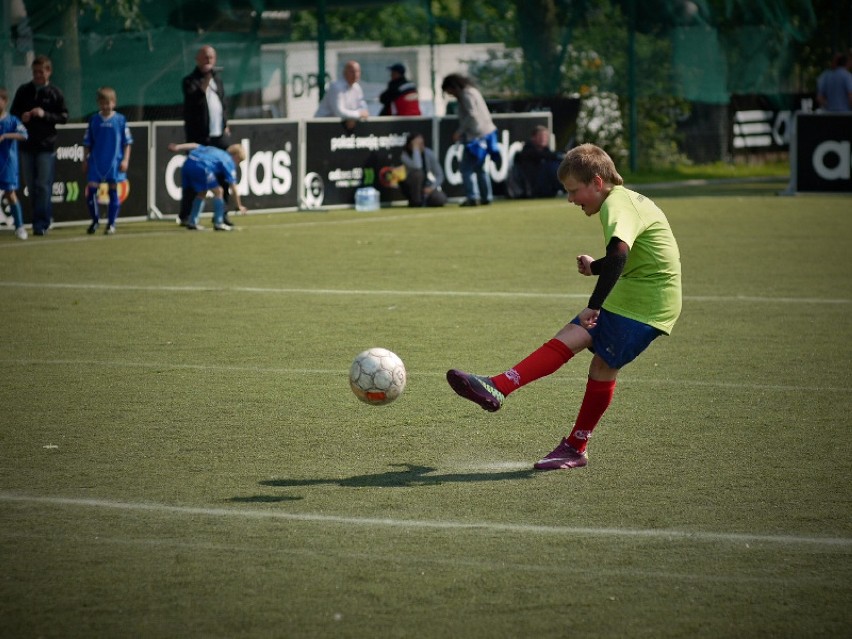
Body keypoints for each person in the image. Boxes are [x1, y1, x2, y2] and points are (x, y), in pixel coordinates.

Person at [446, 143, 682, 471]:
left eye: (574, 191)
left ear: (597, 182)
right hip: (634, 293)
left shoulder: (616, 204)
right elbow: (635, 254)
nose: (570, 199)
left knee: (601, 366)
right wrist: (596, 268)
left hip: (648, 305)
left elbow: (620, 255)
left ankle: (576, 446)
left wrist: (593, 305)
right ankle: (498, 386)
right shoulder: (623, 200)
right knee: (573, 335)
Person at [10, 55, 68, 236]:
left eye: (41, 72)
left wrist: (45, 114)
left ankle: (41, 223)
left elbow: (64, 117)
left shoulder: (55, 92)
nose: (37, 75)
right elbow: (13, 114)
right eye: (34, 72)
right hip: (26, 146)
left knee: (43, 185)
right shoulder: (24, 90)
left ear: (48, 71)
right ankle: (40, 218)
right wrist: (22, 117)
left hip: (46, 146)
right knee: (31, 186)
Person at [181, 45, 236, 227]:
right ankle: (187, 215)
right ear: (197, 59)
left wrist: (225, 123)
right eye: (205, 57)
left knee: (223, 175)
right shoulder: (190, 81)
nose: (208, 61)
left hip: (218, 136)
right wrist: (205, 81)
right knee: (194, 177)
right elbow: (194, 101)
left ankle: (221, 214)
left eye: (211, 57)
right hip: (199, 137)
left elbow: (223, 104)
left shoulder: (218, 81)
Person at [441, 73, 500, 207]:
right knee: (480, 167)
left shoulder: (466, 95)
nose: (450, 94)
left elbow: (472, 116)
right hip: (487, 133)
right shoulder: (473, 91)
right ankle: (486, 196)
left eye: (449, 91)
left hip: (476, 136)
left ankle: (472, 196)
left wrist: (460, 131)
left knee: (465, 168)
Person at [82, 87, 133, 235]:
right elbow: (87, 143)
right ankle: (95, 221)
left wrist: (125, 160)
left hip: (114, 162)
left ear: (114, 103)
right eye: (102, 103)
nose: (105, 106)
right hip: (96, 162)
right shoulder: (94, 120)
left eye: (108, 103)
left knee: (113, 191)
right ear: (98, 103)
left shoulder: (120, 120)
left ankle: (111, 224)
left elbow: (127, 143)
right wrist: (85, 160)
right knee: (91, 191)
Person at [167, 142, 246, 231]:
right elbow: (233, 187)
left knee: (202, 192)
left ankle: (192, 222)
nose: (238, 164)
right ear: (235, 156)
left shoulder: (214, 149)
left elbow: (194, 145)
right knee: (219, 191)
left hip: (188, 163)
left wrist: (177, 147)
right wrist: (239, 205)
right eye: (239, 161)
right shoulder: (228, 160)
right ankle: (219, 223)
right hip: (202, 167)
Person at [0, 87, 29, 240]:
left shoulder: (12, 120)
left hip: (7, 165)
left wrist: (5, 136)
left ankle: (19, 227)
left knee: (10, 194)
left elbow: (24, 135)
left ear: (4, 101)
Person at [509, 125, 564, 199]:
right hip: (531, 187)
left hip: (544, 186)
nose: (543, 139)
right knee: (551, 167)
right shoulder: (527, 150)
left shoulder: (546, 151)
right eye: (541, 136)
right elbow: (541, 155)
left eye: (545, 136)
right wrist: (560, 156)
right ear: (533, 137)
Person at [315, 60, 369, 128]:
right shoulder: (336, 87)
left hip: (339, 127)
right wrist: (357, 115)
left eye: (358, 71)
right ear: (344, 73)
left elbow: (363, 108)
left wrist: (352, 117)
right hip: (321, 126)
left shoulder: (357, 88)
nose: (355, 74)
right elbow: (339, 112)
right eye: (352, 71)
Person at [397, 133, 446, 207]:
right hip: (411, 186)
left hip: (426, 186)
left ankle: (425, 201)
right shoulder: (404, 156)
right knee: (418, 174)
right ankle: (416, 201)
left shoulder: (428, 153)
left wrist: (431, 188)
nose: (421, 145)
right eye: (418, 144)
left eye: (422, 143)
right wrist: (416, 150)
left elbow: (440, 175)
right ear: (410, 145)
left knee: (441, 198)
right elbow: (417, 166)